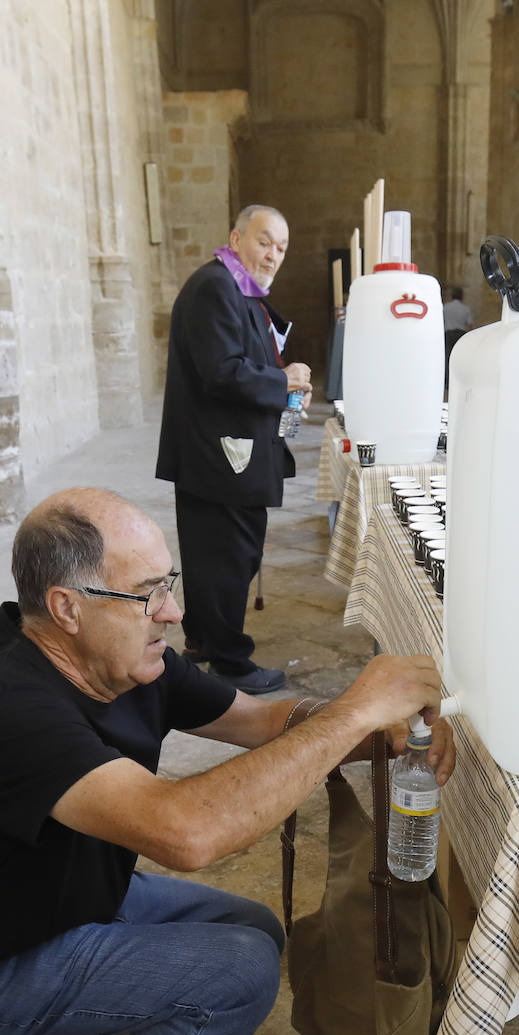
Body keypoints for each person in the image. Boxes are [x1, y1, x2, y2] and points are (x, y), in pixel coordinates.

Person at [0, 487, 454, 1035]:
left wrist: (375, 732)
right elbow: (186, 833)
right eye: (146, 594)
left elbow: (258, 718)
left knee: (253, 925)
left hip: (68, 904)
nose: (172, 612)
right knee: (238, 972)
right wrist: (358, 709)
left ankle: (56, 1031)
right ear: (65, 607)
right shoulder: (4, 707)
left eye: (170, 585)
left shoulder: (127, 659)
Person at [156, 204, 312, 695]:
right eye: (265, 241)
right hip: (220, 454)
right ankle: (230, 661)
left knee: (215, 554)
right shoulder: (214, 287)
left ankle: (203, 642)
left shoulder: (236, 289)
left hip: (223, 451)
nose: (273, 254)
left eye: (282, 247)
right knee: (228, 555)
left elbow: (242, 361)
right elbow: (221, 371)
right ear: (236, 237)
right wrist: (281, 378)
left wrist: (286, 381)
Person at [441, 285, 474, 391]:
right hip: (460, 335)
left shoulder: (445, 307)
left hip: (448, 334)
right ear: (462, 296)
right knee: (459, 357)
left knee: (447, 357)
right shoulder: (465, 309)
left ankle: (447, 382)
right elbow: (470, 325)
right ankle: (459, 381)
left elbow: (441, 322)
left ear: (451, 296)